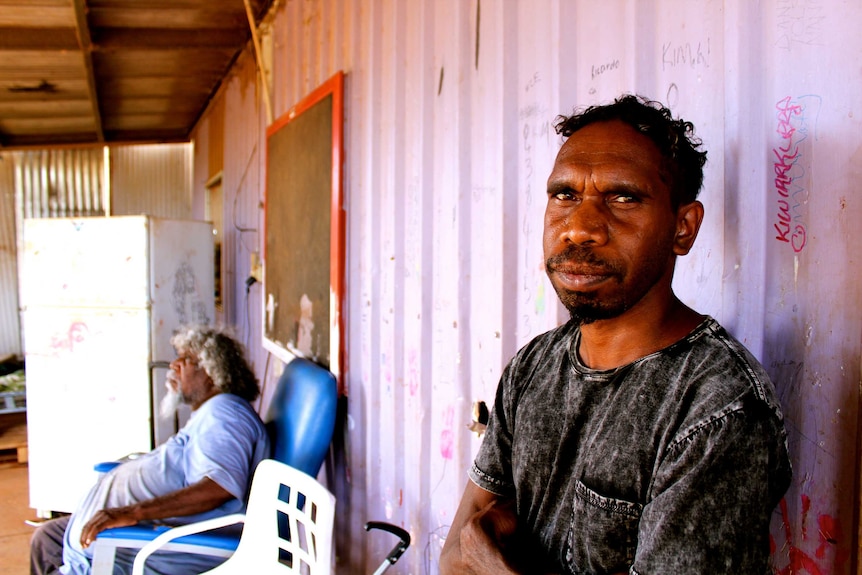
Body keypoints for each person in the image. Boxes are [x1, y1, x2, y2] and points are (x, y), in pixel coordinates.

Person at [440, 95, 792, 574]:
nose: (580, 228)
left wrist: (494, 563)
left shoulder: (716, 409)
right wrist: (472, 552)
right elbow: (453, 560)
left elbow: (473, 549)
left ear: (683, 229)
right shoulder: (533, 366)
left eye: (623, 197)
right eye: (564, 195)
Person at [30, 326, 271, 575]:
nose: (174, 364)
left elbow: (217, 488)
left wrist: (131, 512)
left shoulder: (225, 414)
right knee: (47, 537)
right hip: (133, 528)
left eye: (187, 359)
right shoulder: (209, 413)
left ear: (212, 372)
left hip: (162, 541)